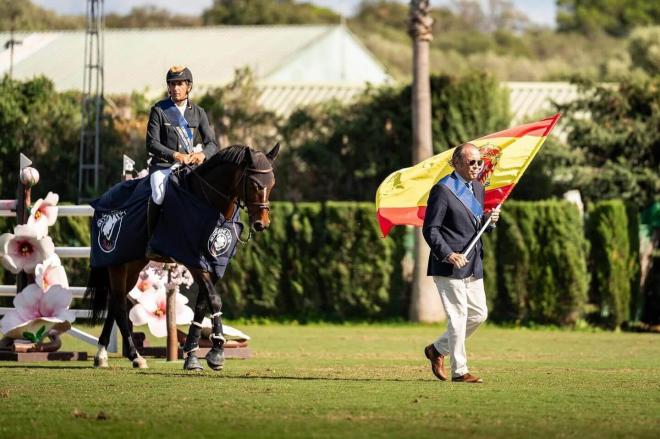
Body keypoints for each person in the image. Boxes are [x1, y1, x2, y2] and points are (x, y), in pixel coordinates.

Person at [422, 143, 500, 384]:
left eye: (479, 162)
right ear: (455, 163)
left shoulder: (478, 187)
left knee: (478, 314)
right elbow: (431, 229)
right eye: (471, 162)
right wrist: (448, 254)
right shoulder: (443, 190)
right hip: (448, 265)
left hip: (473, 262)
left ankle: (436, 349)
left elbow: (473, 226)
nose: (477, 167)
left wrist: (490, 220)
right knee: (458, 316)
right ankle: (460, 371)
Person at [145, 66, 218, 238]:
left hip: (189, 167)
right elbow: (151, 143)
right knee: (158, 194)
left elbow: (212, 143)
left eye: (179, 84)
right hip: (164, 166)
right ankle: (152, 239)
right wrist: (176, 155)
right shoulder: (159, 110)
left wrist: (202, 154)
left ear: (189, 86)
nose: (175, 88)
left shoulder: (199, 112)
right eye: (172, 84)